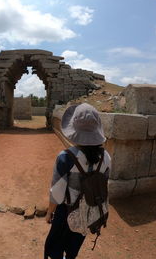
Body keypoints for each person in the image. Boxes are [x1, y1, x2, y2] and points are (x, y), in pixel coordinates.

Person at [44, 103, 111, 259]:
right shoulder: (106, 157)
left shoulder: (65, 157)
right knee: (73, 249)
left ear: (74, 129)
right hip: (89, 212)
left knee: (54, 249)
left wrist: (49, 213)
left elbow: (58, 194)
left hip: (66, 212)